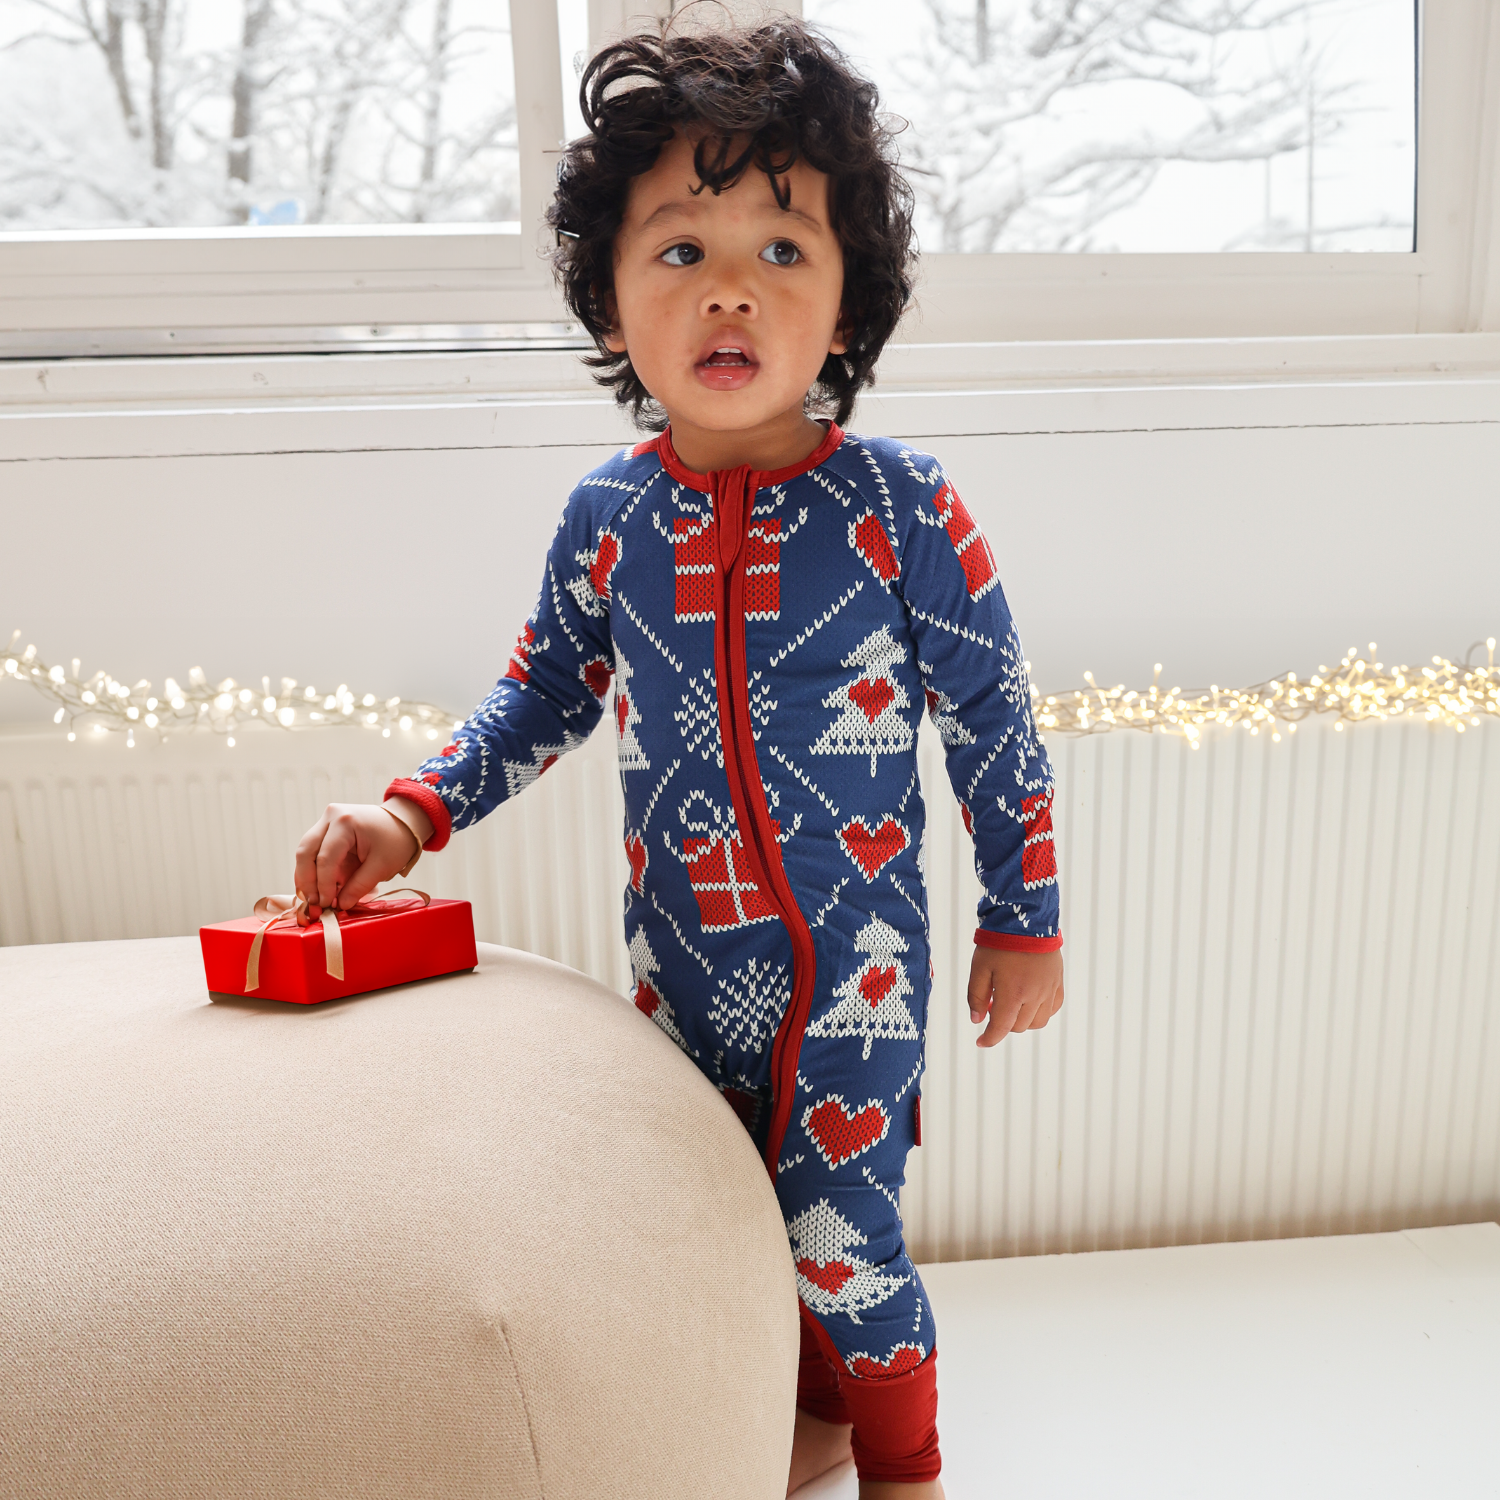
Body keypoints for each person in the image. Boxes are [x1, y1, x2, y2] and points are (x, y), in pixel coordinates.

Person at [292, 15, 1063, 1498]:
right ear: (611, 312)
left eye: (782, 249)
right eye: (680, 250)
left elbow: (995, 722)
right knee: (724, 1224)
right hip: (682, 966)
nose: (729, 285)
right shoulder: (610, 518)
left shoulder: (902, 507)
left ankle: (905, 1464)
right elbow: (540, 697)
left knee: (837, 1233)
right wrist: (409, 815)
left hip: (854, 973)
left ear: (847, 307)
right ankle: (808, 1407)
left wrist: (1023, 919)